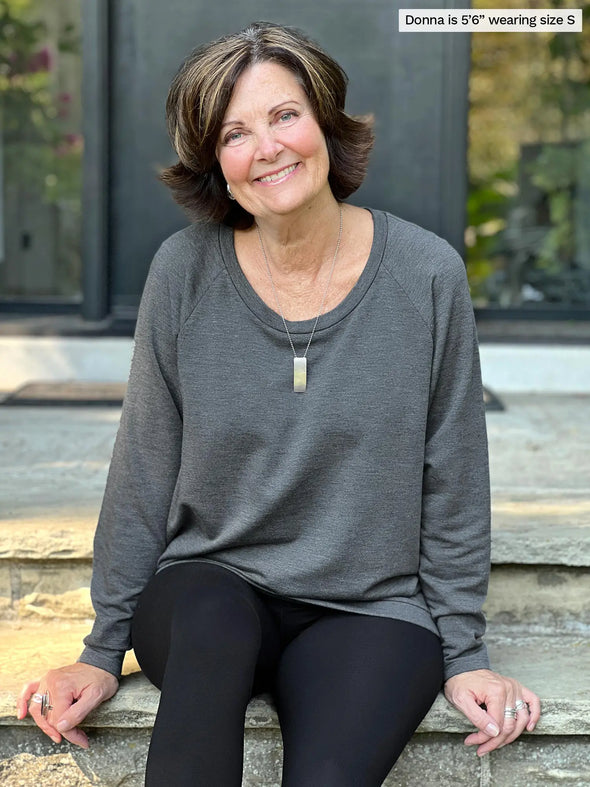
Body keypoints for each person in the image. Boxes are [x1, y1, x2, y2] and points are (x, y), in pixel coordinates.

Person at [17, 21, 541, 786]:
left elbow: (455, 476)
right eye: (235, 132)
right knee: (211, 622)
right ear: (214, 163)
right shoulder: (184, 273)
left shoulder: (427, 275)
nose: (267, 148)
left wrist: (464, 653)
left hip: (370, 608)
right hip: (211, 587)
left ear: (325, 122)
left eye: (284, 115)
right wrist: (100, 651)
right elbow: (143, 468)